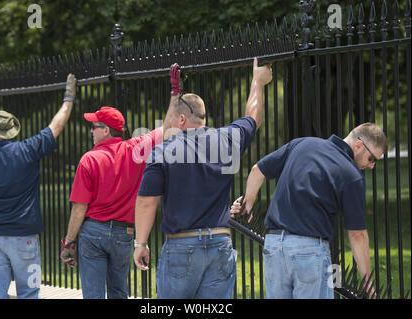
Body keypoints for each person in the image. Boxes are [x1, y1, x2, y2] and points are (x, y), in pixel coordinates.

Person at [133, 58, 273, 298]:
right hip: (220, 244)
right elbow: (253, 117)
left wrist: (141, 243)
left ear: (182, 120)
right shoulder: (227, 140)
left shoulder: (164, 152)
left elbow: (147, 202)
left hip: (180, 247)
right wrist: (257, 82)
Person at [230, 122, 387, 299]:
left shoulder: (302, 144)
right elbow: (357, 235)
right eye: (371, 159)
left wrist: (248, 202)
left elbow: (258, 169)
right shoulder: (352, 175)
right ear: (358, 145)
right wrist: (367, 284)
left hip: (274, 246)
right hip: (310, 252)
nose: (372, 166)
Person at [0, 73, 77, 299]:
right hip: (25, 238)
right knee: (29, 292)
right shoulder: (28, 151)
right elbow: (55, 127)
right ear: (12, 132)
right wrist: (68, 99)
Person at [60, 106, 163, 299]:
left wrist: (69, 242)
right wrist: (175, 94)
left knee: (93, 295)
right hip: (124, 233)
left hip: (92, 233)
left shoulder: (89, 159)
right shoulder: (137, 149)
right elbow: (167, 128)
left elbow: (79, 207)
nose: (91, 130)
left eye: (94, 126)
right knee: (119, 292)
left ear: (106, 130)